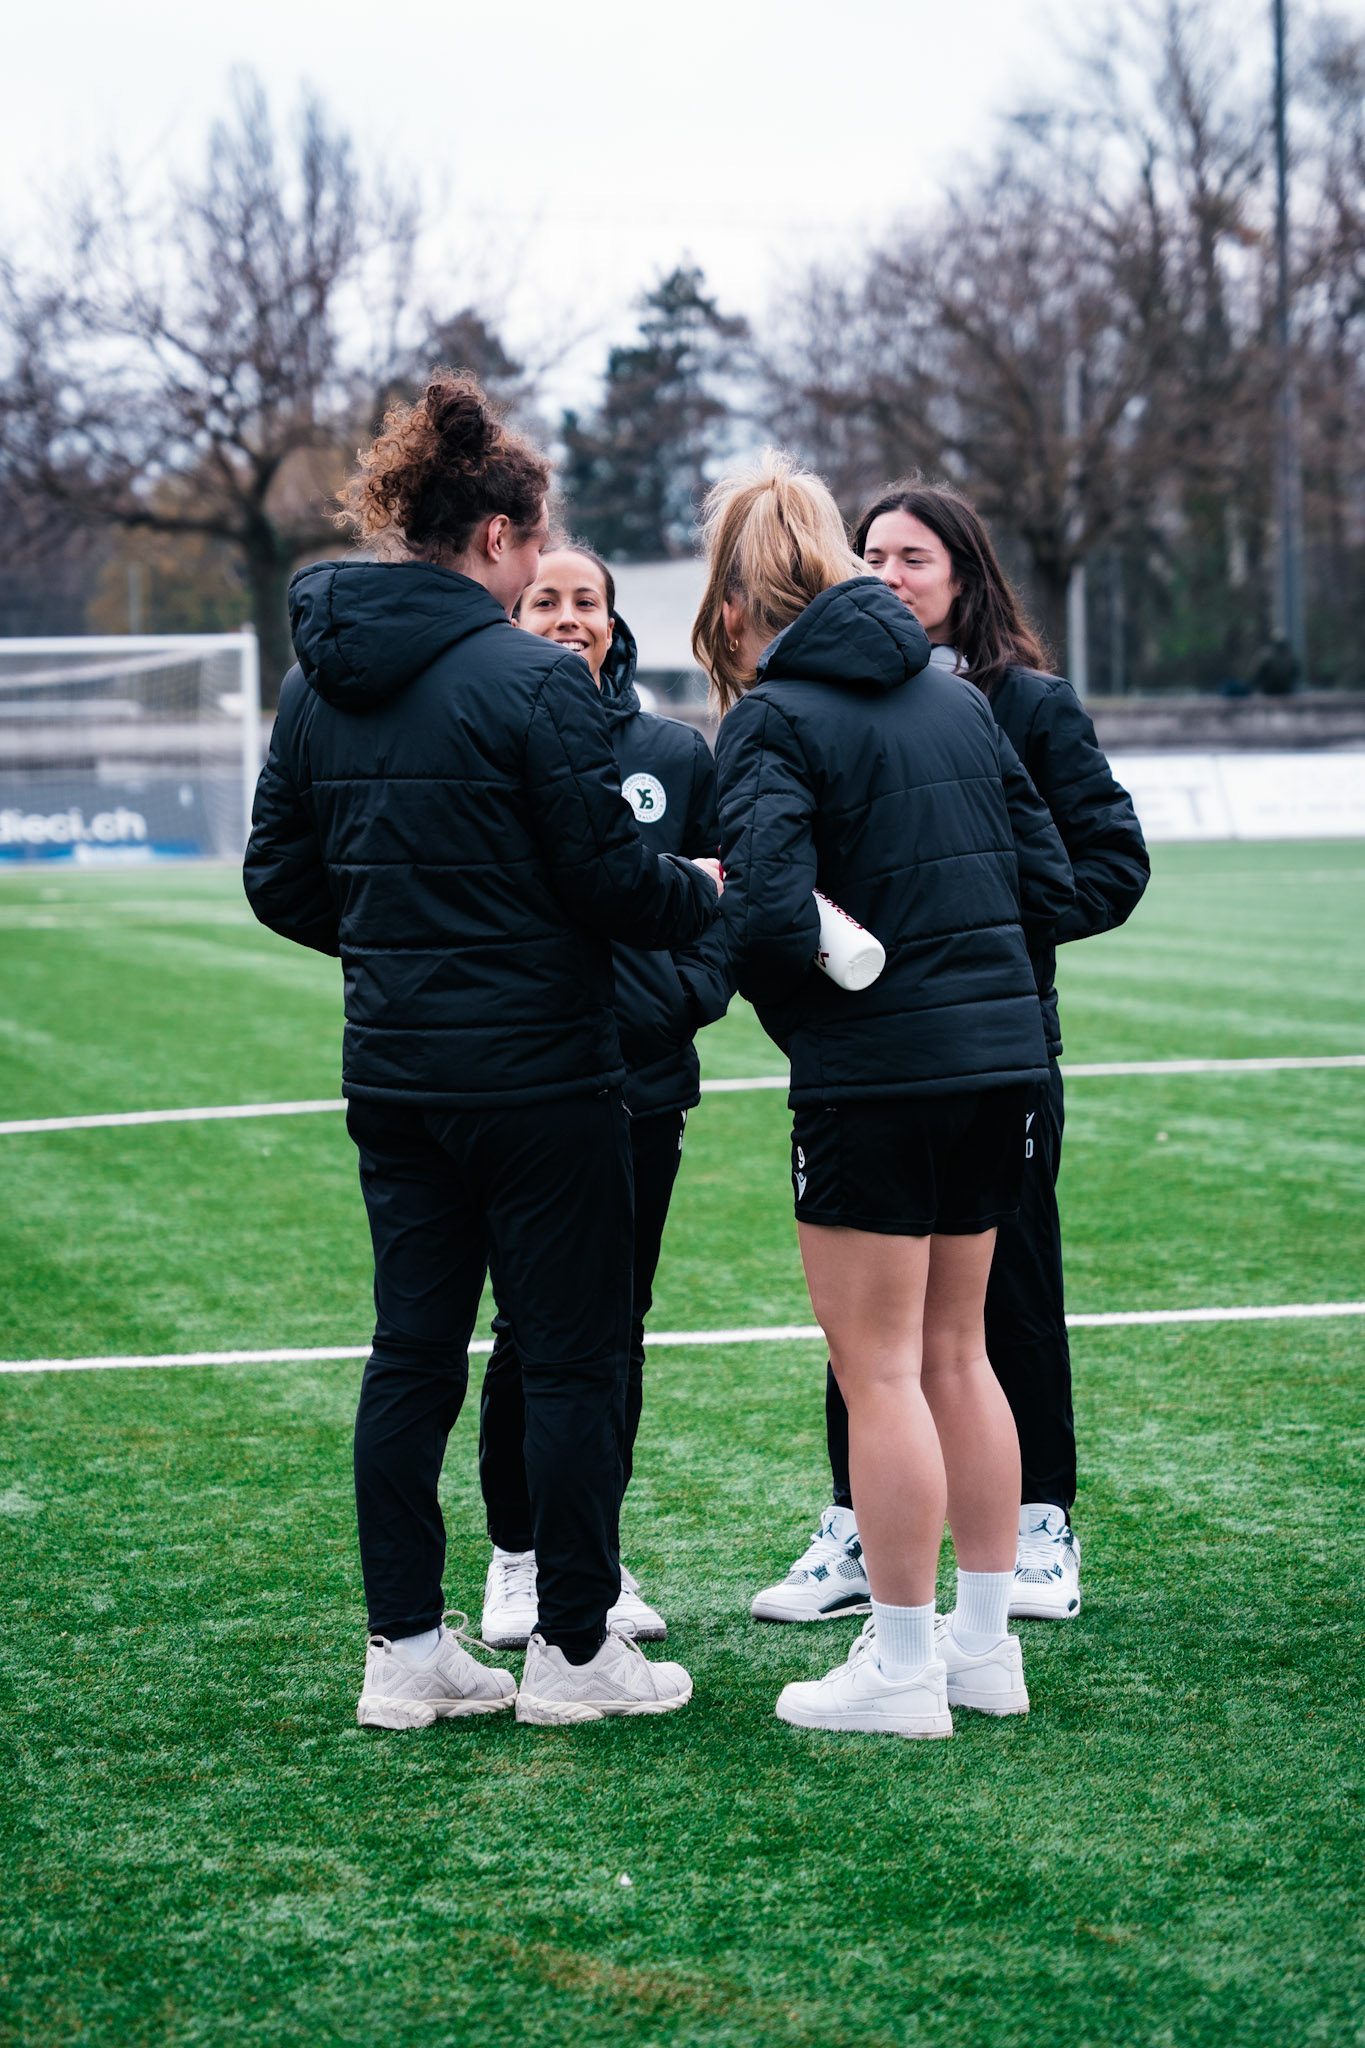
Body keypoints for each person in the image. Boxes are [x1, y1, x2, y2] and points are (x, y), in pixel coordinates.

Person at [243, 372, 721, 1731]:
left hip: (397, 1075)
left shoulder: (314, 677)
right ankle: (572, 1656)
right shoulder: (531, 679)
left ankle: (405, 1654)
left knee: (412, 1357)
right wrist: (710, 887)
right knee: (570, 1359)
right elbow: (614, 887)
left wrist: (409, 952)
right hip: (542, 1079)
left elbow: (279, 883)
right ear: (504, 536)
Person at [700, 452, 1075, 1736]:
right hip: (997, 1065)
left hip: (877, 1079)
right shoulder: (961, 700)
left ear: (739, 597)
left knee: (881, 1373)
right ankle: (981, 1648)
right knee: (960, 1354)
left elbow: (760, 909)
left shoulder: (771, 716)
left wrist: (816, 1006)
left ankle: (904, 1664)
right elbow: (1048, 876)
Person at [751, 480, 1148, 1628]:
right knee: (874, 1323)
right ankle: (857, 1525)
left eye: (912, 556)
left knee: (1000, 1298)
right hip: (888, 1046)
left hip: (991, 1041)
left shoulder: (1018, 702)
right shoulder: (835, 702)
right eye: (868, 553)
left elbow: (1105, 865)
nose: (886, 573)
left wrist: (981, 937)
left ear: (965, 574)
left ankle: (1039, 1526)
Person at [477, 544, 732, 1646]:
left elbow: (728, 893)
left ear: (617, 625)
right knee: (534, 1334)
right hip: (527, 1088)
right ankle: (519, 1559)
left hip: (641, 1090)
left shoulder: (672, 751)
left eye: (589, 602)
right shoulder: (483, 739)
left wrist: (673, 998)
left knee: (616, 1332)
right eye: (547, 600)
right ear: (513, 612)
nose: (569, 616)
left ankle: (596, 1555)